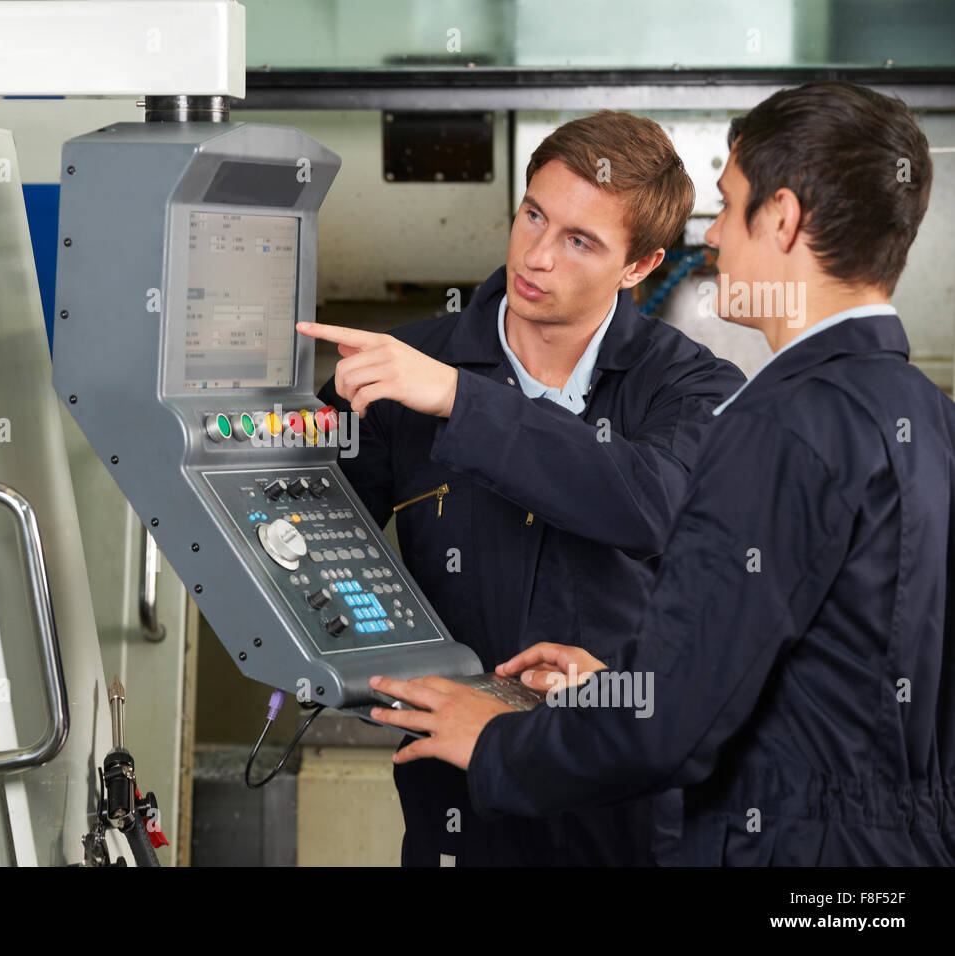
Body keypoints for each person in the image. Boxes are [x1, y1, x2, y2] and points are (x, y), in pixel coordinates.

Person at [366, 81, 953, 866]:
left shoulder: (771, 425)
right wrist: (611, 687)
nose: (711, 239)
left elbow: (672, 725)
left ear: (780, 218)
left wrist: (498, 739)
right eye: (534, 216)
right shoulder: (929, 416)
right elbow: (770, 684)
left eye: (729, 203)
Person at [301, 110, 745, 866]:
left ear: (639, 266)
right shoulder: (403, 368)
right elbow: (308, 542)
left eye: (580, 241)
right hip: (459, 811)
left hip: (628, 818)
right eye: (533, 216)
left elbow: (645, 502)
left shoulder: (693, 388)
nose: (537, 257)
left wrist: (459, 401)